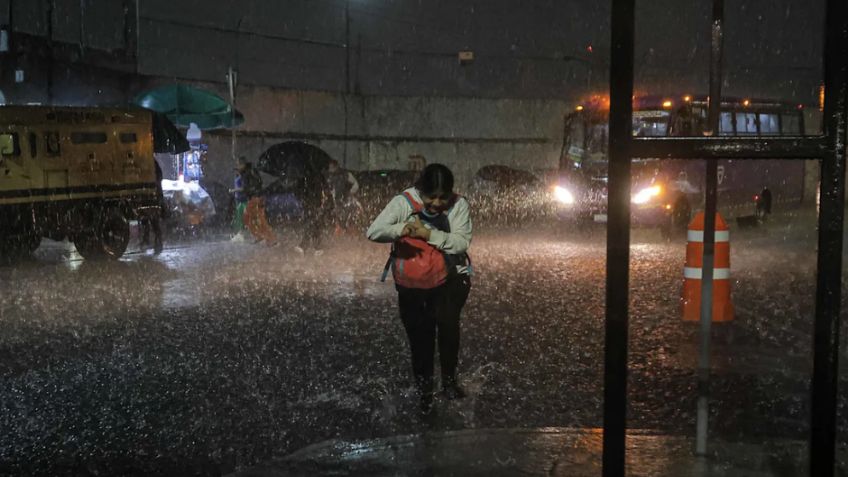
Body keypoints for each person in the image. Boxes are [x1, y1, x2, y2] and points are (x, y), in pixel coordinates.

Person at [366, 163, 472, 414]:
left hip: (451, 278)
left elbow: (461, 242)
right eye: (431, 197)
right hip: (412, 285)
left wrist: (427, 234)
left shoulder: (459, 205)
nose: (437, 203)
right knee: (420, 338)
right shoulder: (403, 202)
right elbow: (374, 231)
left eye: (442, 197)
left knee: (447, 328)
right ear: (420, 190)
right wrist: (401, 229)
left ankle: (449, 382)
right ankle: (425, 392)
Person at [294, 165, 333, 256]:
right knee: (315, 224)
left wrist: (303, 199)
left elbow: (298, 191)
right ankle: (315, 247)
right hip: (315, 203)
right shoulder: (318, 176)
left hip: (311, 204)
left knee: (312, 223)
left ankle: (306, 245)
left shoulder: (304, 177)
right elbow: (326, 189)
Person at [240, 161, 278, 246]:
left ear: (244, 165)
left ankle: (269, 238)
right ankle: (263, 237)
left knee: (254, 219)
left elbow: (252, 186)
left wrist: (246, 190)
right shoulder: (250, 172)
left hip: (255, 198)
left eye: (239, 164)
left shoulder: (248, 173)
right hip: (257, 197)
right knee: (252, 219)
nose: (238, 166)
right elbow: (258, 183)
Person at [327, 159, 360, 234]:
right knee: (337, 219)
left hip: (346, 201)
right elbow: (331, 189)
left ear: (336, 167)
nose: (330, 169)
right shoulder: (330, 177)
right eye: (330, 168)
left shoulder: (345, 174)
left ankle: (351, 233)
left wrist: (351, 192)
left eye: (332, 167)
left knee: (347, 219)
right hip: (336, 202)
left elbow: (356, 184)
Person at [140, 159, 165, 254]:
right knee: (150, 220)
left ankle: (151, 241)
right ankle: (154, 241)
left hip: (151, 196)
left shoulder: (150, 164)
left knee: (151, 220)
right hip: (151, 195)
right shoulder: (152, 164)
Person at [229, 160, 249, 242]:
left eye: (237, 170)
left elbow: (243, 188)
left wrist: (233, 190)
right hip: (238, 199)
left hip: (243, 199)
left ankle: (241, 233)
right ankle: (239, 233)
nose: (235, 172)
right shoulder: (237, 178)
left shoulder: (242, 178)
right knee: (238, 217)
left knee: (242, 217)